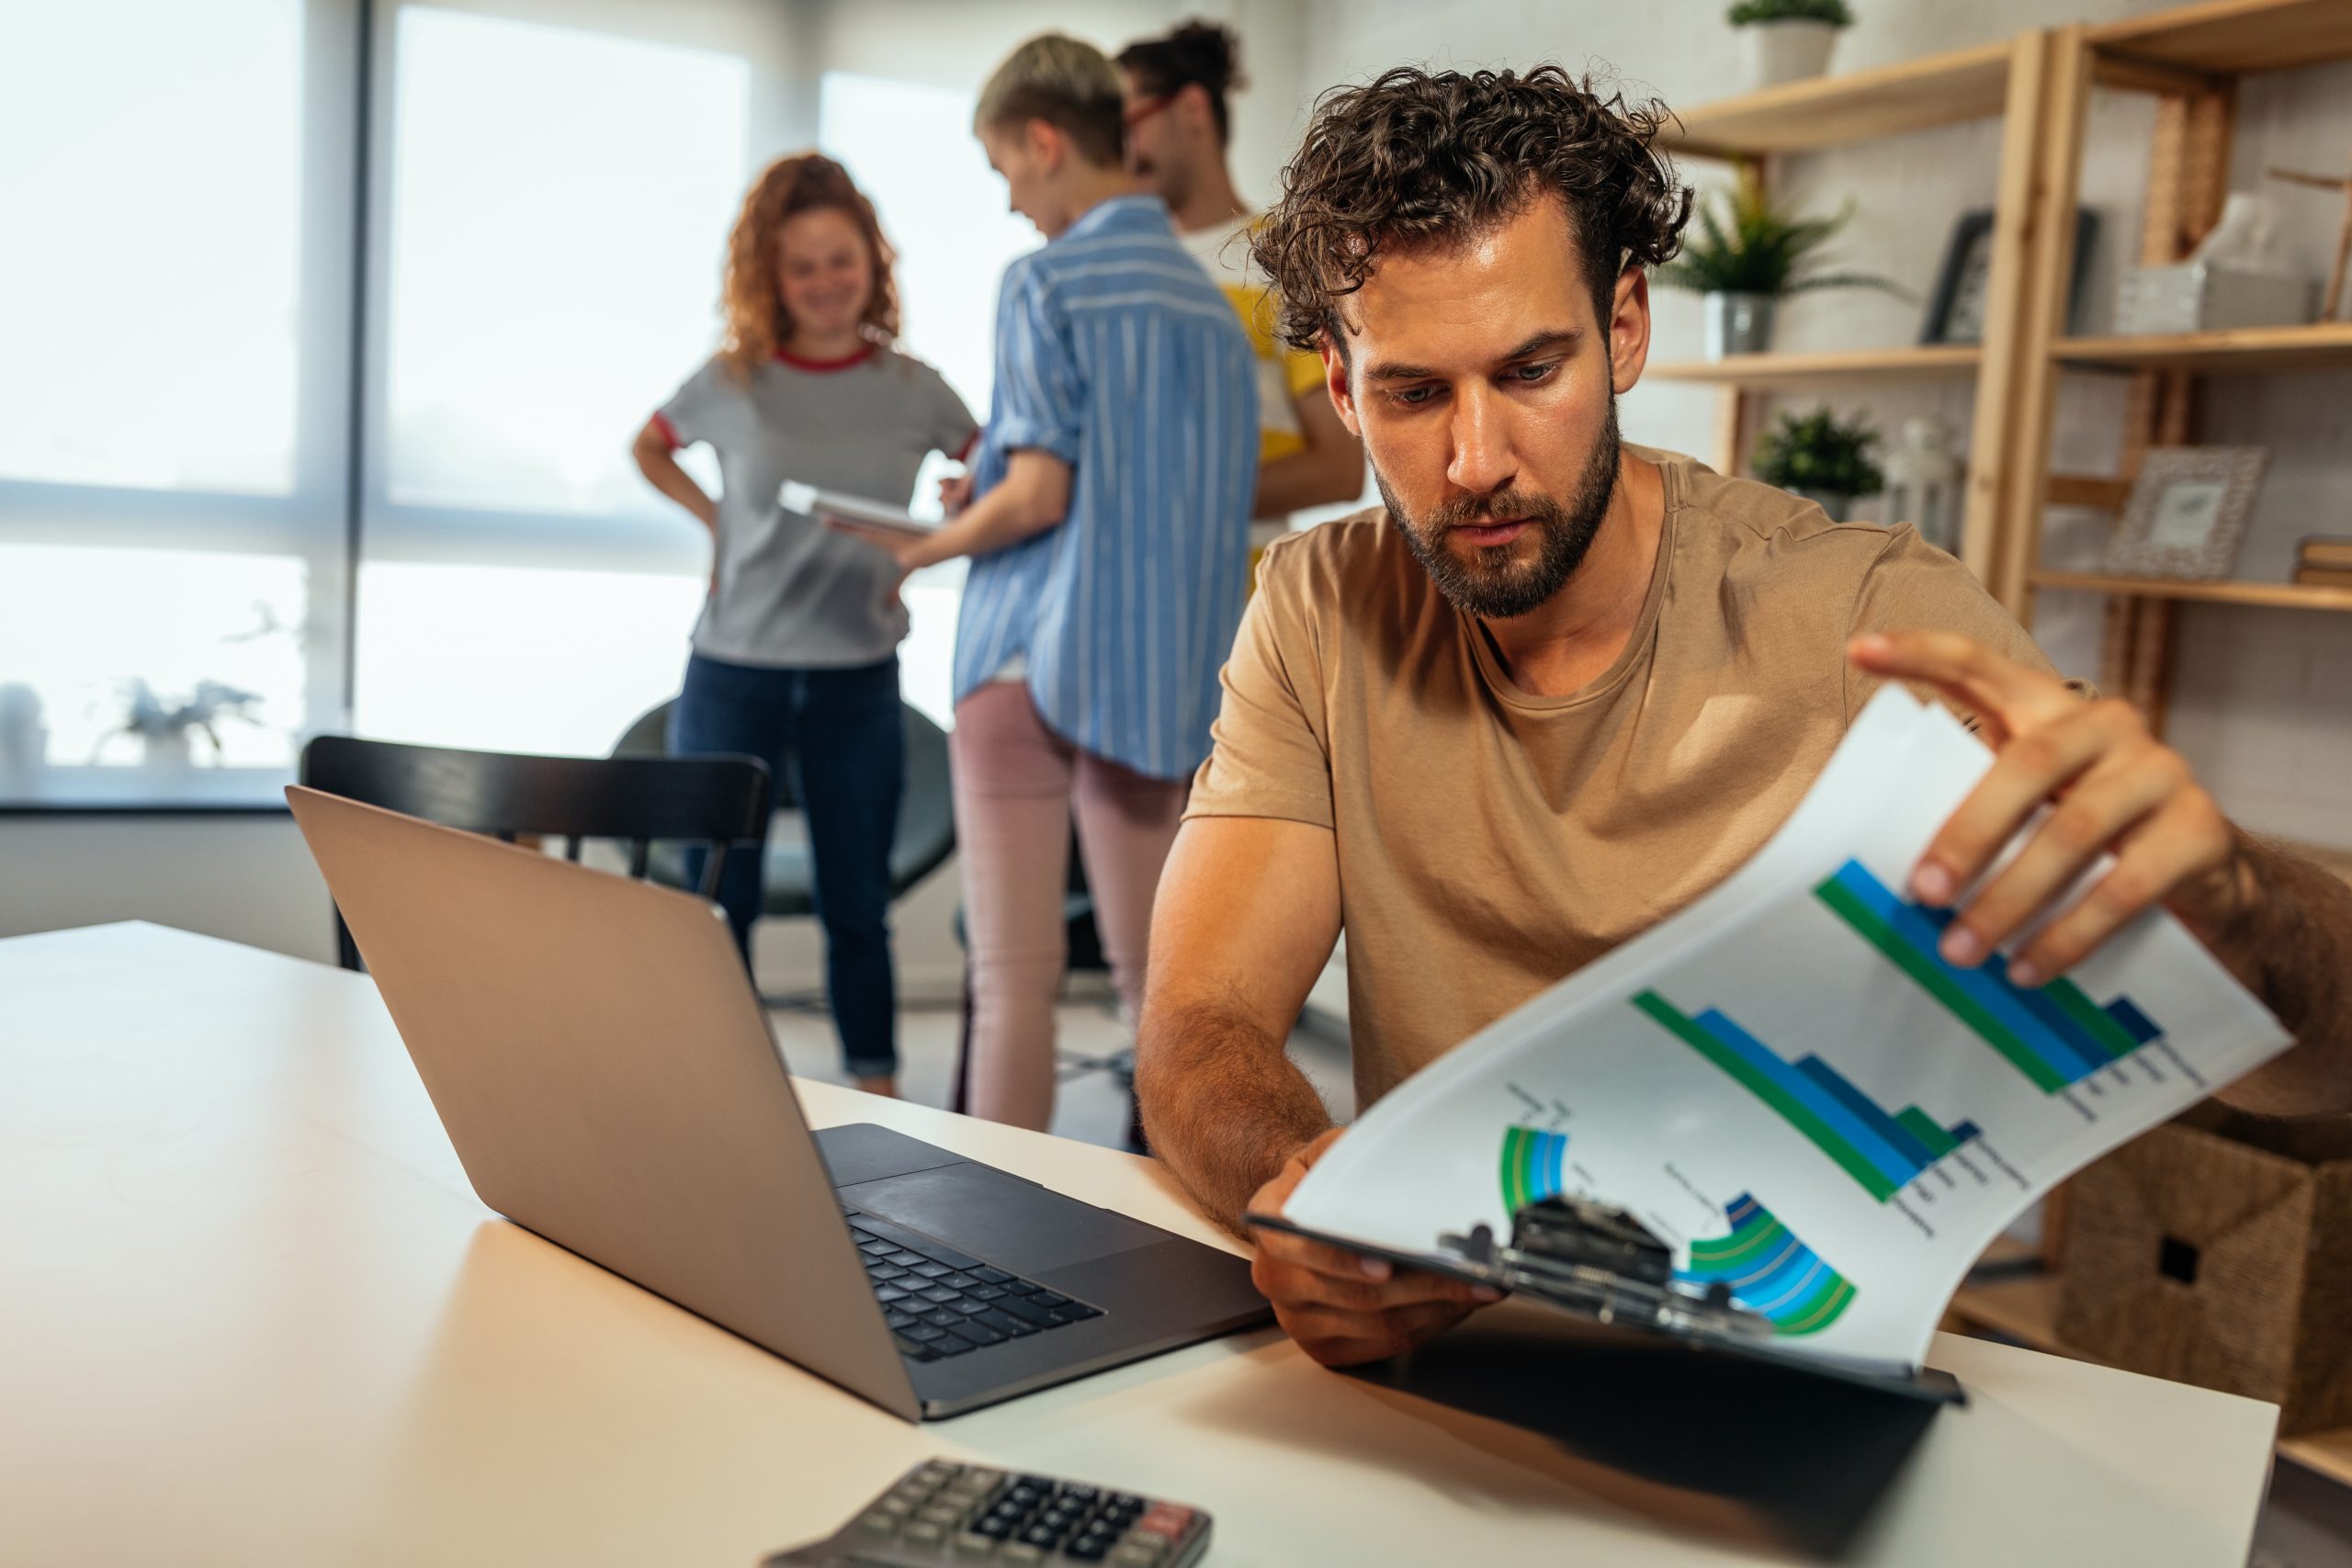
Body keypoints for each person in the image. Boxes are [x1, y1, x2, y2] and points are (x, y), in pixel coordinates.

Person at [1130, 65, 2352, 1369]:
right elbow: (1197, 1022)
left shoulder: (1861, 619)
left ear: (1627, 327)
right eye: (1414, 393)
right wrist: (1305, 1197)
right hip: (1448, 1366)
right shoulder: (1322, 605)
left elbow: (2315, 1071)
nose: (1475, 459)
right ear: (1340, 388)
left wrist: (2238, 904)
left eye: (1532, 368)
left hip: (1789, 1393)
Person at [828, 35, 1258, 1133]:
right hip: (1161, 680)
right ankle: (1177, 1219)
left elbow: (1041, 495)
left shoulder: (1042, 282)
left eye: (1005, 170)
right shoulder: (1213, 316)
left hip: (1025, 660)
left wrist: (926, 546)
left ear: (1045, 140)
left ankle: (1002, 1224)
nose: (1014, 203)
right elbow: (1189, 495)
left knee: (1011, 981)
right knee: (1157, 991)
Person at [633, 152, 978, 1100]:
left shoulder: (916, 388)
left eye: (842, 260)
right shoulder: (732, 380)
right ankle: (714, 1090)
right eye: (802, 266)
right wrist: (716, 523)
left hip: (855, 677)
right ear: (769, 277)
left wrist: (959, 501)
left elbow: (991, 468)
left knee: (856, 905)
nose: (825, 282)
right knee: (717, 903)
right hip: (731, 671)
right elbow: (650, 447)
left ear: (872, 263)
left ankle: (876, 1091)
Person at [1115, 21, 1364, 525]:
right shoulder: (1120, 268)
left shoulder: (1285, 256)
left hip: (1250, 599)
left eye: (1129, 125)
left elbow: (1340, 468)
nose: (1120, 152)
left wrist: (1168, 505)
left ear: (1191, 109)